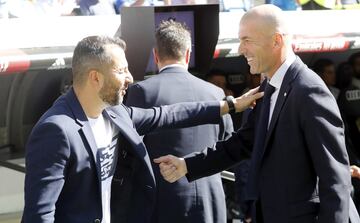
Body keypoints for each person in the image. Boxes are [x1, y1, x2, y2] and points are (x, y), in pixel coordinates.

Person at [22, 35, 262, 223]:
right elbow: (40, 214)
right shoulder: (56, 130)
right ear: (95, 77)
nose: (130, 78)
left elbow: (168, 115)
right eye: (120, 70)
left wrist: (229, 106)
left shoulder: (114, 113)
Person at [154, 4, 358, 223]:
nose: (241, 49)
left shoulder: (309, 90)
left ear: (277, 40)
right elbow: (243, 143)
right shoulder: (268, 87)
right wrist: (187, 165)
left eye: (247, 40)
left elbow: (335, 179)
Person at [125, 20, 233, 223]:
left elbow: (130, 151)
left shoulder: (141, 92)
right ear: (188, 54)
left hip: (162, 203)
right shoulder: (216, 94)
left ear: (155, 55)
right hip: (210, 201)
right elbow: (227, 145)